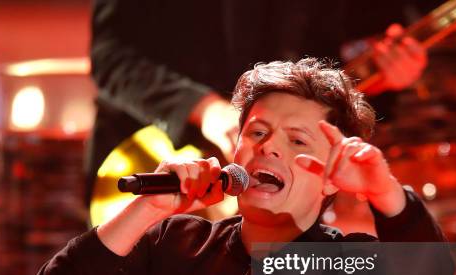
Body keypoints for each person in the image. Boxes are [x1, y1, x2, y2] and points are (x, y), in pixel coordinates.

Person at [27, 59, 453, 275]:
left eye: (298, 141)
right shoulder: (177, 245)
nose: (270, 148)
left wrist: (383, 190)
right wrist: (146, 210)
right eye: (257, 133)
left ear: (331, 179)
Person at [84, 0, 434, 205]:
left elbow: (335, 64)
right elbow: (111, 57)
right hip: (156, 161)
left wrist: (389, 77)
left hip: (281, 186)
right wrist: (206, 109)